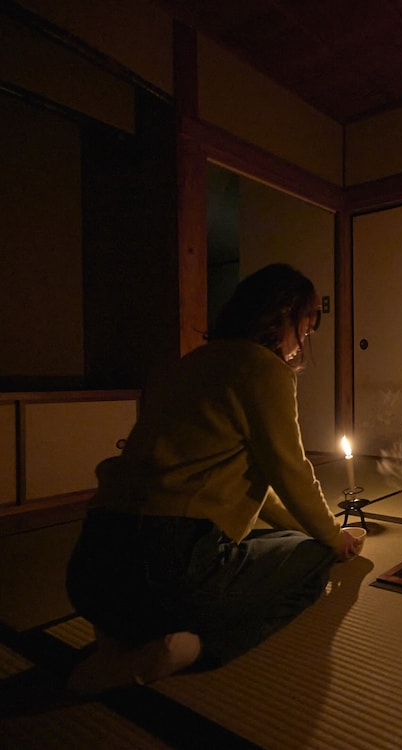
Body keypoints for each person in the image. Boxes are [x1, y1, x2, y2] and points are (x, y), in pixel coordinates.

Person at [65, 263, 358, 694]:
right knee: (313, 562)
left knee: (292, 544)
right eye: (305, 326)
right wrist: (336, 540)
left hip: (92, 570)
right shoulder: (263, 369)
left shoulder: (190, 365)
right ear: (284, 315)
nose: (304, 340)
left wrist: (319, 530)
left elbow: (266, 493)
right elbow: (290, 473)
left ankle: (120, 636)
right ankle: (193, 649)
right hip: (168, 567)